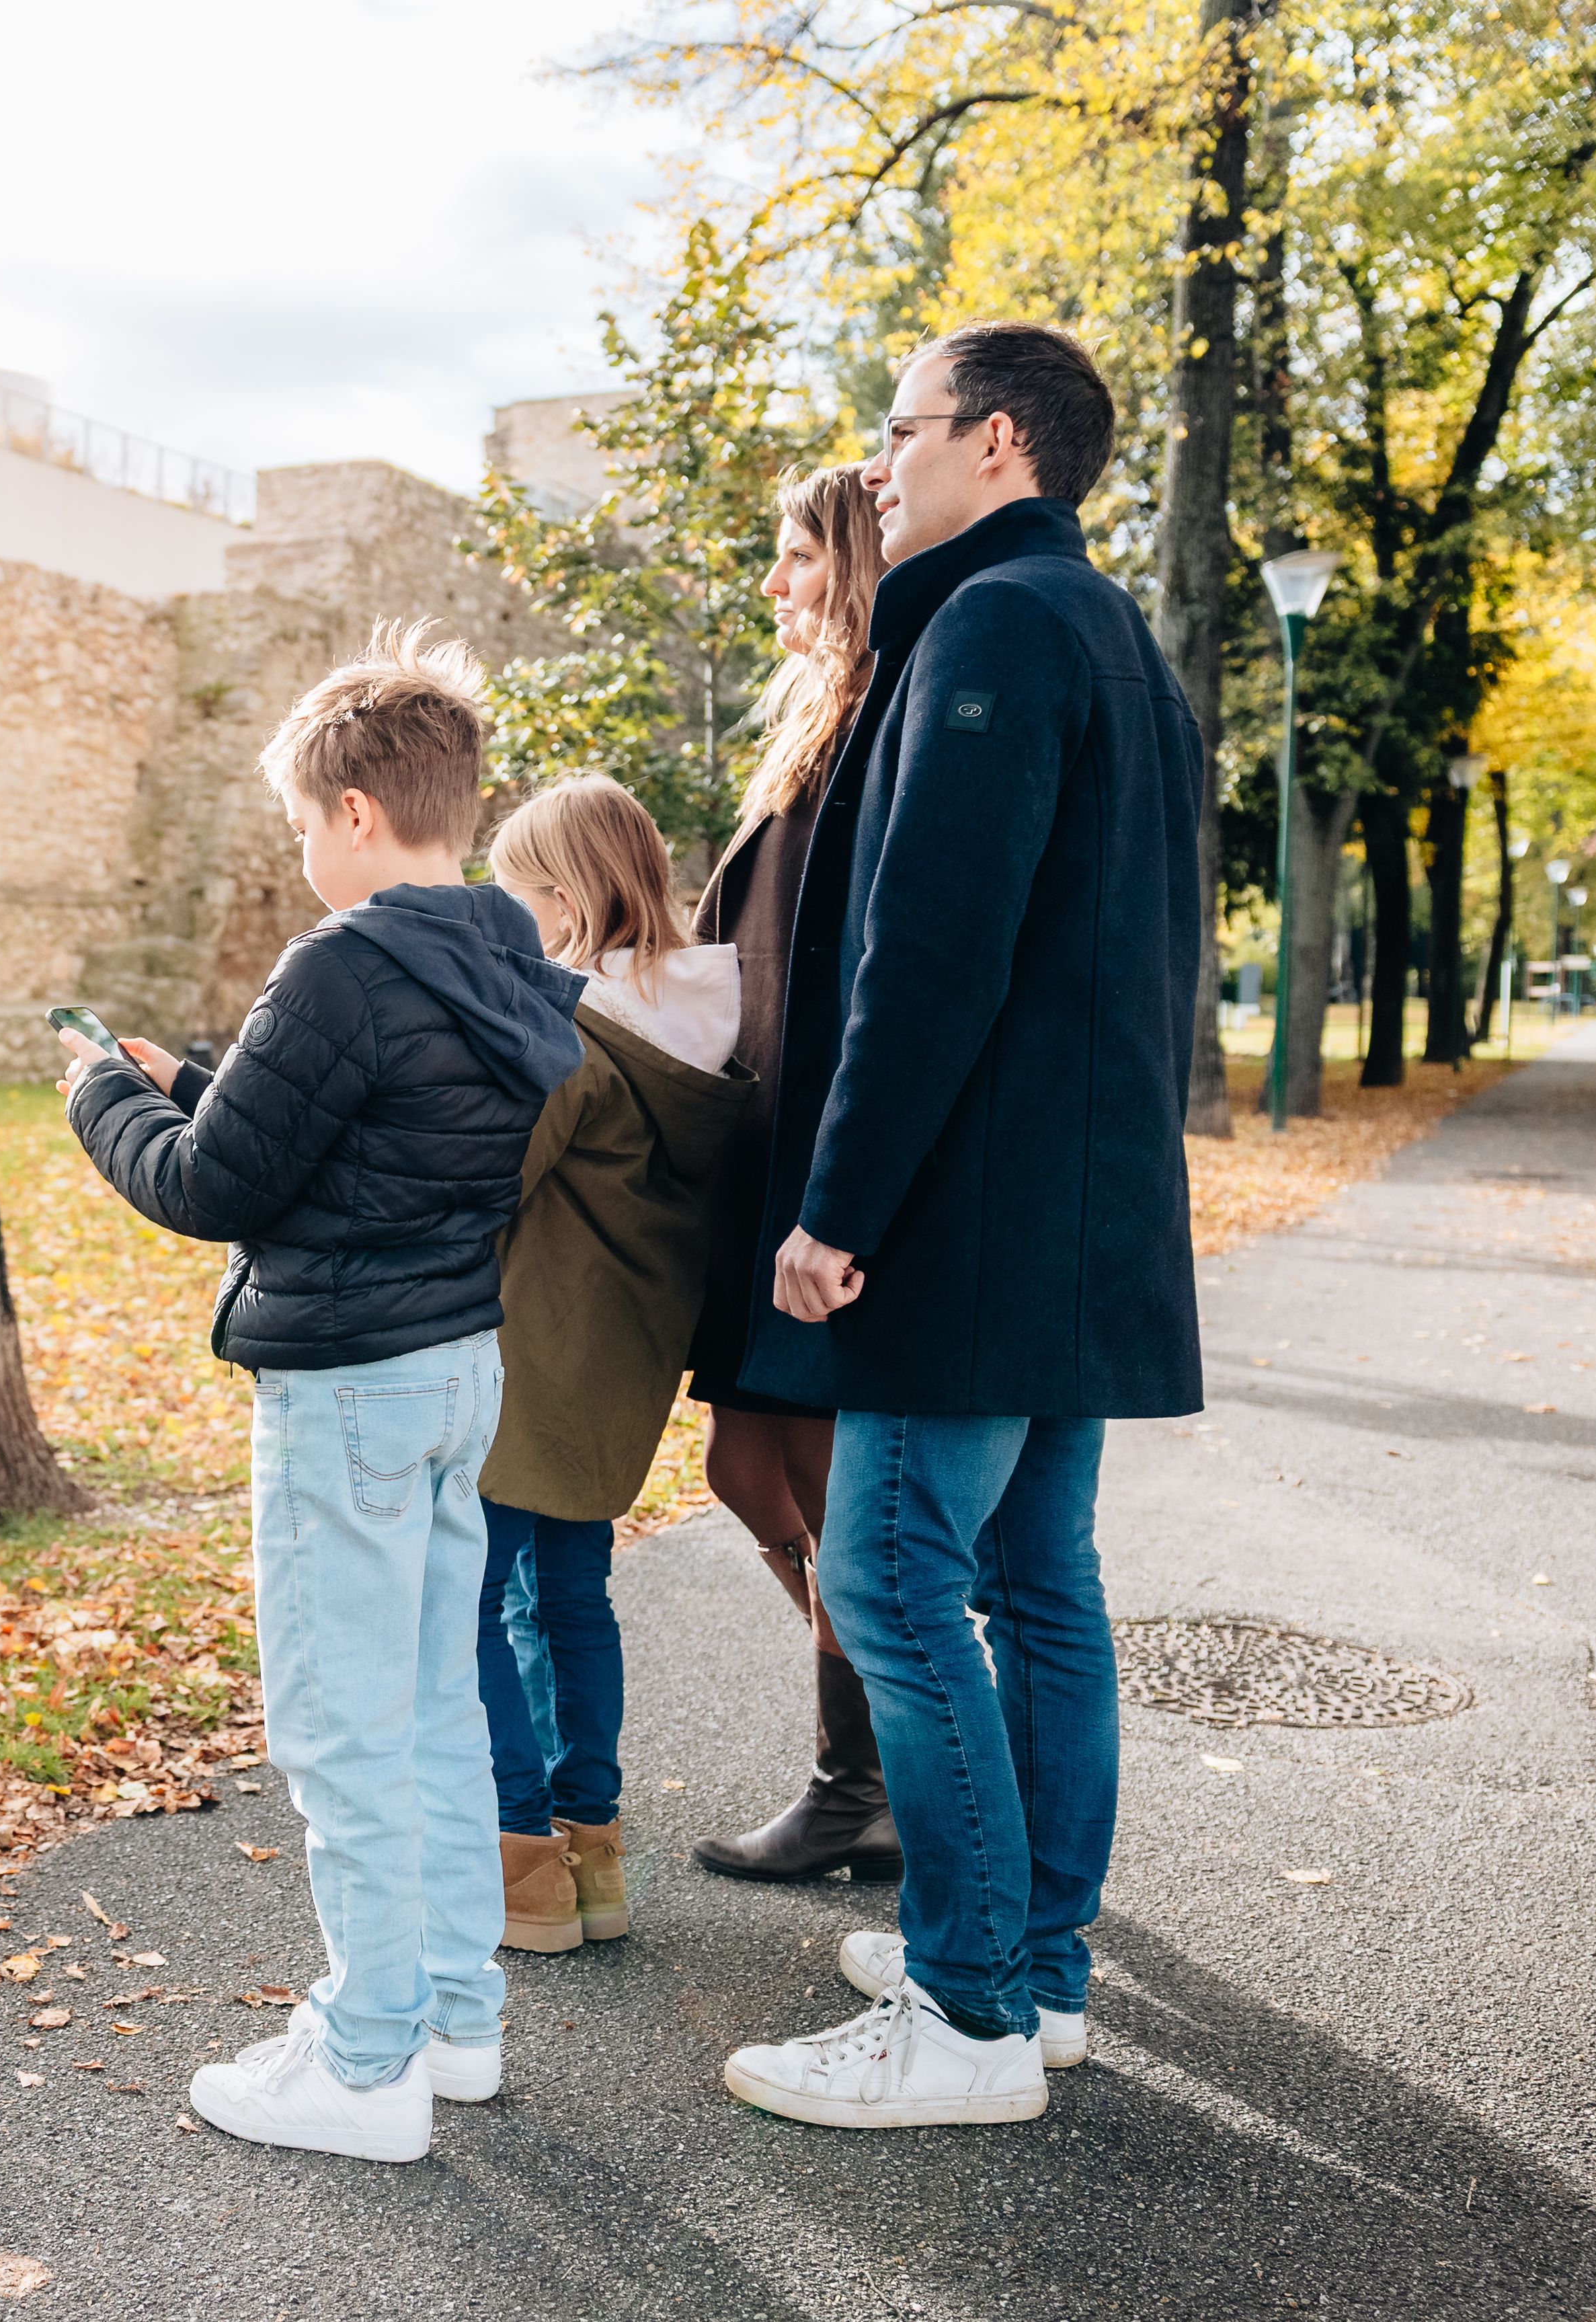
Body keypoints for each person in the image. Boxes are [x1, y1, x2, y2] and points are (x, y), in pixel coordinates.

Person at [719, 322, 1204, 2130]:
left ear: (995, 441)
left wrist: (837, 1207)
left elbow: (929, 953)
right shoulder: (1109, 638)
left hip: (971, 1217)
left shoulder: (991, 630)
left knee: (893, 1579)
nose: (875, 464)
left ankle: (967, 2008)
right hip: (1072, 1217)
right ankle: (1033, 1964)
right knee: (1036, 1587)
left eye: (897, 430)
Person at [61, 621, 586, 2164]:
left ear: (356, 808)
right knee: (429, 1707)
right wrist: (219, 1064)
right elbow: (375, 1117)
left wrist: (108, 1092)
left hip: (349, 1389)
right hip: (455, 1367)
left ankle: (363, 2062)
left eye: (302, 822)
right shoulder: (506, 957)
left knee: (339, 1726)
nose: (300, 852)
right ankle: (450, 2019)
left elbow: (214, 1183)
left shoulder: (343, 964)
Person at [470, 776, 750, 1953]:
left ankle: (519, 1858)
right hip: (619, 1370)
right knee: (571, 1599)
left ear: (567, 897)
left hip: (521, 1355)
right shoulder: (710, 1027)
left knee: (474, 1603)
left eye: (514, 895)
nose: (501, 919)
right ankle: (595, 1852)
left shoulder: (567, 1038)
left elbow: (490, 1185)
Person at [684, 467, 902, 1886]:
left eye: (795, 559)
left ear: (857, 564)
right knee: (741, 1458)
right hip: (750, 1159)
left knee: (821, 1481)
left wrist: (837, 1190)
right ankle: (886, 1738)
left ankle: (860, 1779)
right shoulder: (805, 735)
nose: (775, 586)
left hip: (814, 1169)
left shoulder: (882, 722)